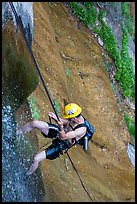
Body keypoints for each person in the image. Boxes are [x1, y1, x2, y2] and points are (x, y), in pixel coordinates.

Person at [16, 103, 94, 175]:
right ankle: (16, 133)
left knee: (36, 159)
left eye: (70, 118)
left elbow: (63, 137)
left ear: (73, 117)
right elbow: (65, 122)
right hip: (60, 131)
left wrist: (60, 126)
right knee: (34, 123)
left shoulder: (81, 130)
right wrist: (56, 118)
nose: (69, 119)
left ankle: (26, 174)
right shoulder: (76, 118)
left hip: (63, 143)